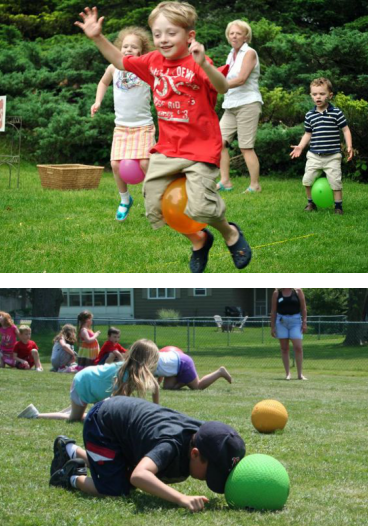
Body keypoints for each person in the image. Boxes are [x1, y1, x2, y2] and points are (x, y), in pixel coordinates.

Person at [75, 3, 252, 274]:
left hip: (200, 148)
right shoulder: (153, 62)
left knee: (201, 206)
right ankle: (199, 240)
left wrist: (204, 63)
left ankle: (230, 234)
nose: (163, 39)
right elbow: (121, 61)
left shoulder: (197, 63)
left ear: (189, 36)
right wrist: (97, 37)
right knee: (154, 204)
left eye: (171, 33)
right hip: (167, 149)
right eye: (157, 34)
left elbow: (223, 86)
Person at [48, 396, 245, 513]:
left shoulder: (203, 434)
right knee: (117, 490)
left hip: (123, 425)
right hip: (103, 426)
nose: (210, 478)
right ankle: (70, 476)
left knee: (121, 473)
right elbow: (139, 476)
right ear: (194, 454)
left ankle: (69, 449)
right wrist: (180, 498)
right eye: (212, 471)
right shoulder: (171, 445)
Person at [91, 26, 156, 221]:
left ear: (141, 51)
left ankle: (152, 199)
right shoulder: (113, 67)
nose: (128, 49)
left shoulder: (145, 68)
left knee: (145, 162)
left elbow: (160, 84)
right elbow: (103, 83)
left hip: (143, 126)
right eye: (125, 46)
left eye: (133, 47)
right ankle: (125, 199)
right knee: (116, 164)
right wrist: (97, 101)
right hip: (122, 127)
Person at [18, 339, 160, 421]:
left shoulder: (133, 371)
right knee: (75, 418)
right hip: (84, 383)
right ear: (148, 359)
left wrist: (156, 410)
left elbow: (155, 387)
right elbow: (117, 400)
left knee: (75, 413)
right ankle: (35, 415)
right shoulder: (125, 372)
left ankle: (61, 411)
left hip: (89, 381)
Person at [290, 77, 353, 215]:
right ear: (311, 95)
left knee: (335, 182)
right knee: (307, 180)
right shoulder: (310, 115)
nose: (318, 97)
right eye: (314, 94)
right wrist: (300, 146)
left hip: (332, 156)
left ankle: (338, 207)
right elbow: (308, 133)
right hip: (314, 155)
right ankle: (311, 203)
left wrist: (349, 146)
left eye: (322, 94)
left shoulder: (336, 113)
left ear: (330, 95)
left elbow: (346, 129)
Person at [217, 20, 262, 194]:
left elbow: (242, 78)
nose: (234, 36)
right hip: (231, 105)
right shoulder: (231, 54)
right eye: (231, 33)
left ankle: (255, 185)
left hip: (248, 104)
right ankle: (225, 181)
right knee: (219, 142)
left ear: (246, 36)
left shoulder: (249, 53)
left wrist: (220, 86)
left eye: (238, 33)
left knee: (246, 147)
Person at [270, 288, 308, 380]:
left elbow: (303, 308)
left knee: (298, 347)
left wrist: (304, 322)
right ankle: (288, 374)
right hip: (281, 322)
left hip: (295, 321)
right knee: (284, 348)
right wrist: (272, 326)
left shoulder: (298, 291)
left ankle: (300, 374)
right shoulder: (277, 293)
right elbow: (274, 311)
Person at [156, 347, 232, 390]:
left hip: (183, 363)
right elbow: (162, 369)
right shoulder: (150, 356)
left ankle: (220, 372)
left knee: (198, 387)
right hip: (175, 363)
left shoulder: (147, 361)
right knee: (167, 388)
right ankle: (184, 381)